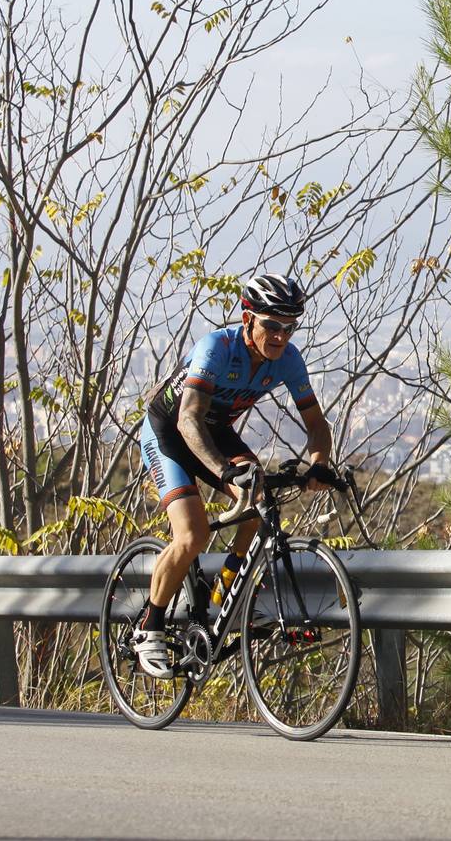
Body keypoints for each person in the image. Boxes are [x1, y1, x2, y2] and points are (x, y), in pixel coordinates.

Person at [134, 274, 339, 677]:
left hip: (215, 432)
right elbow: (189, 421)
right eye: (272, 325)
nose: (281, 336)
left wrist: (319, 463)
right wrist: (226, 470)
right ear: (248, 319)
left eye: (289, 327)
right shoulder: (216, 348)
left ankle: (227, 586)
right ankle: (150, 628)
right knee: (193, 534)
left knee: (260, 501)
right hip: (170, 431)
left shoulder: (289, 360)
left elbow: (316, 422)